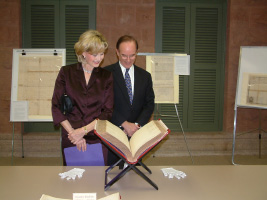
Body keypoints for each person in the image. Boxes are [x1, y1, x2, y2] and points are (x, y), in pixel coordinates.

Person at [51, 30, 113, 166]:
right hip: (71, 136)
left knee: (96, 180)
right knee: (74, 178)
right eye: (94, 54)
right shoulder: (66, 73)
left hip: (96, 136)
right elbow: (56, 106)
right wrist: (74, 134)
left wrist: (83, 131)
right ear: (83, 53)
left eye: (102, 54)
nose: (99, 58)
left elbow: (107, 111)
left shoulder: (106, 76)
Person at [105, 35, 155, 165]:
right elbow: (104, 105)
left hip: (136, 135)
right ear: (117, 52)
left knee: (135, 173)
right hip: (115, 132)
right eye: (124, 55)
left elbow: (149, 104)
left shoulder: (145, 76)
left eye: (132, 55)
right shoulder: (106, 74)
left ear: (137, 52)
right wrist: (124, 123)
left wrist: (137, 125)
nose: (128, 60)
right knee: (113, 172)